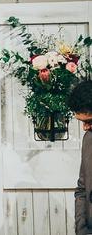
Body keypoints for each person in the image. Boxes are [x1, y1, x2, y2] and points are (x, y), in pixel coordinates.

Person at [67, 80, 92, 235]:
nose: (85, 128)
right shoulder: (88, 139)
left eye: (89, 121)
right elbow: (82, 190)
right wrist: (81, 230)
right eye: (82, 122)